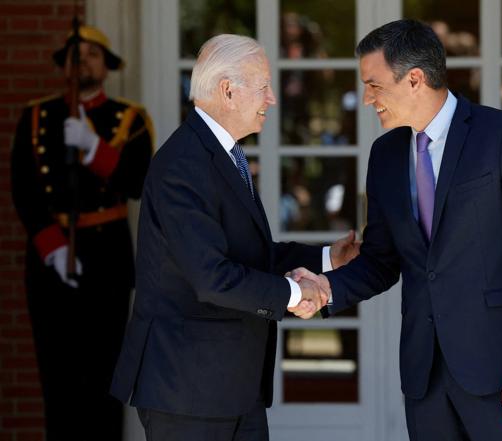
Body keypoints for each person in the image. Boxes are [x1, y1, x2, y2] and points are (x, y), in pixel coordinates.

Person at [290, 19, 502, 441]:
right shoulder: (384, 156)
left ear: (415, 80)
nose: (367, 99)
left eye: (375, 85)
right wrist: (327, 288)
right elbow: (382, 261)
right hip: (425, 379)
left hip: (501, 374)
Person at [109, 34, 358, 441]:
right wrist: (295, 295)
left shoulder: (223, 154)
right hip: (189, 389)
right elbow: (213, 277)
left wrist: (330, 258)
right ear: (228, 90)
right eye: (263, 86)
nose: (272, 99)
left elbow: (250, 255)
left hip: (231, 388)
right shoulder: (183, 165)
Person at [10, 25, 154, 440]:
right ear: (64, 66)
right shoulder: (37, 116)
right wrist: (53, 248)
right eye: (76, 54)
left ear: (106, 66)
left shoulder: (130, 118)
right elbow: (24, 188)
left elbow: (138, 182)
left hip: (106, 254)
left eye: (92, 53)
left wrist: (94, 150)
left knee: (105, 371)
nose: (83, 61)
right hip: (50, 255)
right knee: (55, 371)